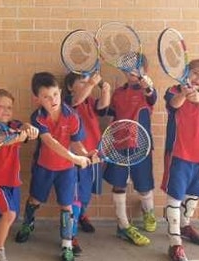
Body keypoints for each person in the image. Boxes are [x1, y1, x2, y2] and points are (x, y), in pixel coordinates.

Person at [14, 72, 92, 261]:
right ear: (37, 99)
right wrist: (75, 158)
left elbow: (76, 143)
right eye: (46, 97)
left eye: (55, 94)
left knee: (67, 206)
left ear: (60, 92)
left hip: (66, 170)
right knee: (35, 200)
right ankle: (28, 224)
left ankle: (67, 245)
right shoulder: (38, 117)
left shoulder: (72, 116)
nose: (52, 100)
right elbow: (50, 143)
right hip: (44, 167)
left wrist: (85, 154)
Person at [161, 59, 199, 261]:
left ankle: (185, 225)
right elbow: (172, 104)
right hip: (178, 155)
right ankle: (175, 242)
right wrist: (184, 94)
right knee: (175, 195)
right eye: (195, 74)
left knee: (195, 193)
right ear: (185, 72)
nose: (198, 79)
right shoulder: (173, 91)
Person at [104, 55, 157, 246]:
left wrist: (148, 86)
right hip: (119, 147)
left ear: (145, 70)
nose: (132, 72)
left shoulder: (146, 90)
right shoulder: (118, 93)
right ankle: (122, 224)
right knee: (119, 185)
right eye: (128, 69)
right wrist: (103, 93)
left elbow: (153, 96)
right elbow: (106, 112)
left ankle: (149, 213)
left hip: (141, 147)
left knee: (144, 185)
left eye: (137, 68)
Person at [0, 89, 38, 261]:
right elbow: (2, 141)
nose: (7, 110)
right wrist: (18, 138)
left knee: (10, 215)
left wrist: (30, 128)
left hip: (12, 180)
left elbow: (23, 127)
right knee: (10, 215)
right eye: (2, 106)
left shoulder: (13, 124)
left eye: (10, 107)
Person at [63, 72, 111, 254]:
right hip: (76, 155)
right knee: (74, 196)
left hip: (94, 154)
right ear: (69, 87)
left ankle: (82, 215)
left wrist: (106, 90)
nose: (86, 85)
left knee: (86, 192)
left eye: (87, 82)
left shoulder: (90, 101)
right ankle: (71, 235)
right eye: (81, 82)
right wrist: (91, 83)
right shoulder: (68, 101)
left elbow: (103, 107)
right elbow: (77, 99)